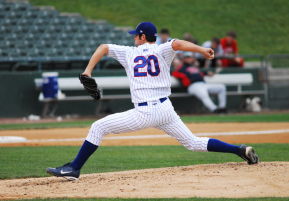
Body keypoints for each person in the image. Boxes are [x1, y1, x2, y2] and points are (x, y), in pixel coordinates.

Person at [46, 22, 259, 180]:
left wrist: (87, 71)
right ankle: (240, 150)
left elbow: (103, 47)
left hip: (145, 112)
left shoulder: (129, 53)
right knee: (193, 142)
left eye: (135, 36)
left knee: (98, 127)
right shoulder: (161, 49)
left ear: (141, 36)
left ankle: (74, 168)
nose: (133, 38)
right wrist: (202, 50)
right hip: (165, 108)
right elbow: (177, 43)